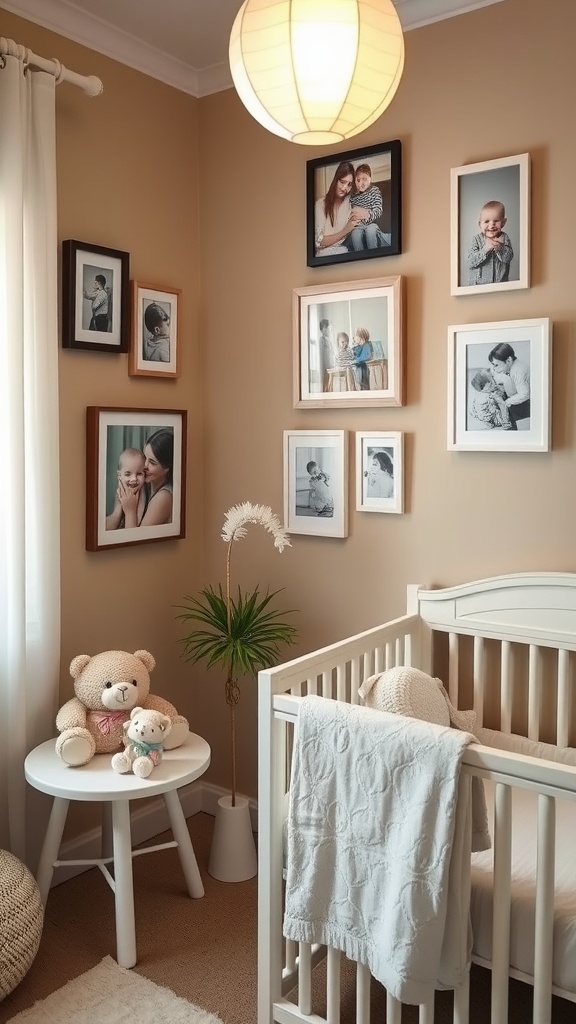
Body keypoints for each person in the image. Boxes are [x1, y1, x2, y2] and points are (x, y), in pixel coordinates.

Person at [314, 161, 364, 257]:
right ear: (336, 180)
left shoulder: (350, 203)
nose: (344, 188)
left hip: (345, 253)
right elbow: (319, 242)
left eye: (349, 184)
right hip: (324, 257)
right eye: (342, 182)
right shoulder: (320, 205)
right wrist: (345, 230)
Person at [467, 200, 514, 286]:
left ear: (503, 223)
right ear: (480, 224)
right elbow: (470, 262)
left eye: (496, 221)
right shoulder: (476, 239)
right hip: (478, 286)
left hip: (500, 285)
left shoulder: (504, 238)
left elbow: (509, 258)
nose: (492, 225)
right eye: (486, 221)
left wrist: (499, 247)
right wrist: (485, 249)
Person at [348, 163, 392, 251]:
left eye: (364, 179)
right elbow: (351, 211)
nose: (361, 183)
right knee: (355, 235)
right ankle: (359, 256)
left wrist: (367, 214)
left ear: (370, 179)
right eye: (358, 180)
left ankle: (374, 253)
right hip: (358, 225)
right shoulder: (353, 196)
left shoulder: (374, 190)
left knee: (370, 231)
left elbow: (378, 210)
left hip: (371, 224)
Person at [488, 342, 530, 429]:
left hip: (527, 404)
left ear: (508, 360)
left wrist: (506, 403)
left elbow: (524, 394)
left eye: (496, 365)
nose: (494, 369)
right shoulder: (510, 367)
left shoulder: (519, 370)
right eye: (493, 365)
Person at [105, 447, 147, 530]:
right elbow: (116, 516)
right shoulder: (121, 490)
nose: (134, 479)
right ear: (119, 476)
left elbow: (135, 526)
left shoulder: (142, 492)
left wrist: (130, 509)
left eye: (139, 474)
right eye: (128, 474)